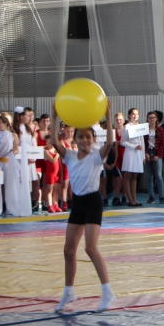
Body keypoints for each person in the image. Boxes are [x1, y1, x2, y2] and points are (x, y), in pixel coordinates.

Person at [51, 101, 117, 313]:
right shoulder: (69, 156)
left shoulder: (97, 156)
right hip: (78, 203)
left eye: (88, 137)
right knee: (68, 250)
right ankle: (69, 291)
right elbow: (53, 140)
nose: (85, 140)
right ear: (75, 139)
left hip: (93, 203)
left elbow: (109, 144)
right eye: (81, 137)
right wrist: (54, 116)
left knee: (90, 248)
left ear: (93, 139)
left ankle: (107, 292)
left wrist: (107, 115)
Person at [120, 108, 145, 207]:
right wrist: (134, 146)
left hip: (138, 153)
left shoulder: (139, 126)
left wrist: (143, 155)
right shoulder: (127, 127)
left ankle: (134, 199)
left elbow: (142, 141)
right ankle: (130, 199)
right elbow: (123, 142)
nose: (135, 116)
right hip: (130, 152)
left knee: (134, 177)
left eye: (136, 114)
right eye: (133, 114)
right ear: (129, 115)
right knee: (127, 176)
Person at [144, 111, 164, 205]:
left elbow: (163, 144)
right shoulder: (144, 130)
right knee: (149, 176)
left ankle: (161, 196)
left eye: (153, 117)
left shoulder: (160, 130)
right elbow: (142, 142)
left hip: (157, 152)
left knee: (159, 176)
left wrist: (158, 155)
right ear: (147, 119)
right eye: (150, 118)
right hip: (148, 152)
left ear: (156, 119)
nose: (152, 119)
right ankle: (151, 196)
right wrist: (145, 153)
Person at [42, 135, 62, 213]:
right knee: (49, 190)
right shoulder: (46, 151)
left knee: (56, 190)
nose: (51, 144)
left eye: (52, 142)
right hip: (50, 173)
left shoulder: (55, 151)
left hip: (56, 173)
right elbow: (53, 160)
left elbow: (59, 163)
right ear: (46, 143)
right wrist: (58, 153)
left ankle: (55, 205)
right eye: (49, 142)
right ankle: (50, 205)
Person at [112, 112, 126, 205]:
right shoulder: (113, 131)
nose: (119, 121)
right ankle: (116, 196)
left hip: (125, 155)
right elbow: (112, 143)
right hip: (116, 156)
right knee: (117, 178)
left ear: (123, 120)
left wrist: (118, 142)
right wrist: (120, 142)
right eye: (117, 120)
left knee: (125, 177)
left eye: (120, 119)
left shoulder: (126, 130)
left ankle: (124, 196)